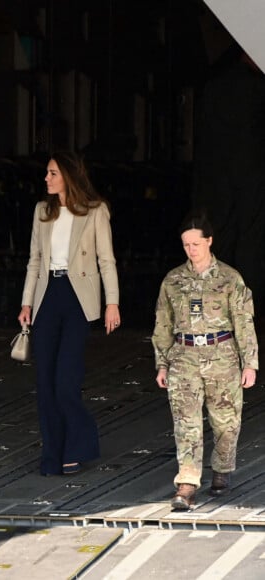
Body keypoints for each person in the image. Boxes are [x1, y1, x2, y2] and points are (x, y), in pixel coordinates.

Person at [17, 151, 120, 477]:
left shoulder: (94, 211)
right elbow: (34, 260)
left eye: (52, 173)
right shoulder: (41, 211)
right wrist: (26, 303)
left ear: (68, 176)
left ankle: (79, 444)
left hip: (78, 299)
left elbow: (106, 260)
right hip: (48, 296)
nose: (46, 179)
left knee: (66, 382)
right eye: (46, 173)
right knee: (45, 382)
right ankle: (53, 453)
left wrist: (112, 303)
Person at [152, 210, 258, 511]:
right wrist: (162, 362)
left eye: (195, 244)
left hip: (222, 354)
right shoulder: (173, 281)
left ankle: (222, 468)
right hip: (184, 356)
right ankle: (187, 483)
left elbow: (244, 322)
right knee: (186, 423)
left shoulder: (229, 279)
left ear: (209, 241)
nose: (190, 250)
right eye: (186, 245)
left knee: (226, 422)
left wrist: (249, 363)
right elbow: (163, 323)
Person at [193, 49, 265, 319]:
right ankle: (245, 307)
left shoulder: (215, 85)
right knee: (251, 238)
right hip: (251, 171)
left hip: (217, 172)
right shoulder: (258, 88)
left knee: (220, 234)